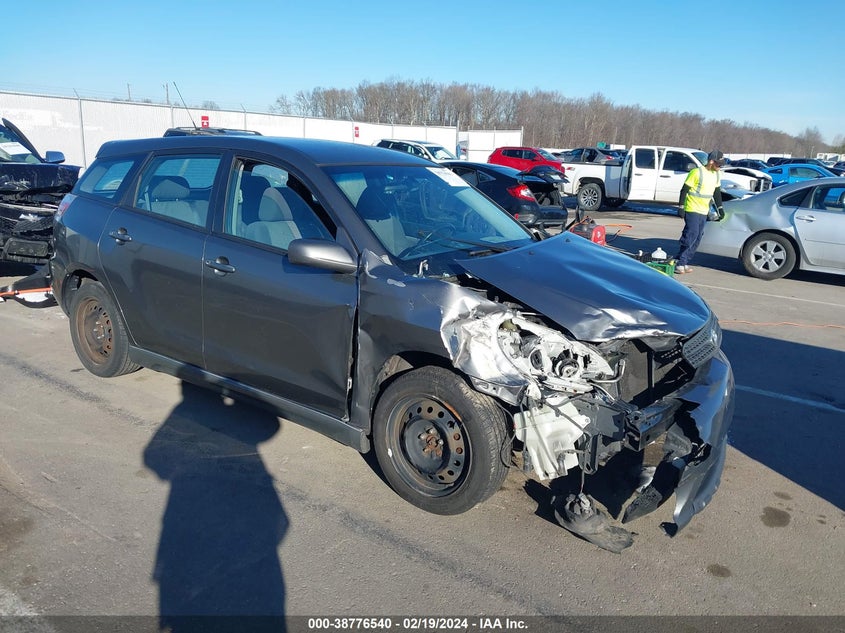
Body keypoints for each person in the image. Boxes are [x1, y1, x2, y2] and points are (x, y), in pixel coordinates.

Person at [674, 150, 725, 274]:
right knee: (691, 234)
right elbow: (684, 190)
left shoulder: (717, 175)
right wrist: (681, 207)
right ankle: (680, 262)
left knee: (698, 237)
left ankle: (683, 260)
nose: (720, 166)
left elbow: (716, 193)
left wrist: (720, 209)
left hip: (704, 210)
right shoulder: (696, 172)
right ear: (711, 161)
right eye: (719, 164)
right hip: (692, 208)